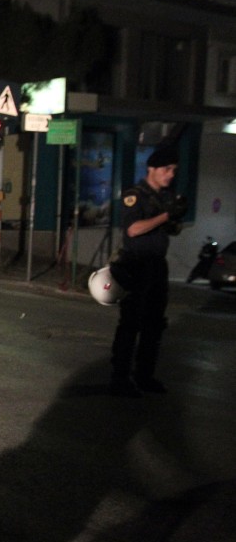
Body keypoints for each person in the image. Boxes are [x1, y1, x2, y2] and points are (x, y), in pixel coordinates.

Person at [109, 145, 185, 397]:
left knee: (154, 324)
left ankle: (144, 376)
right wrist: (164, 216)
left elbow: (171, 229)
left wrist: (174, 218)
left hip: (156, 265)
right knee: (131, 323)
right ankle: (120, 378)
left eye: (174, 170)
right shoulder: (135, 195)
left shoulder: (166, 196)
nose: (170, 174)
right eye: (166, 169)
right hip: (136, 264)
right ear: (151, 169)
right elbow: (133, 230)